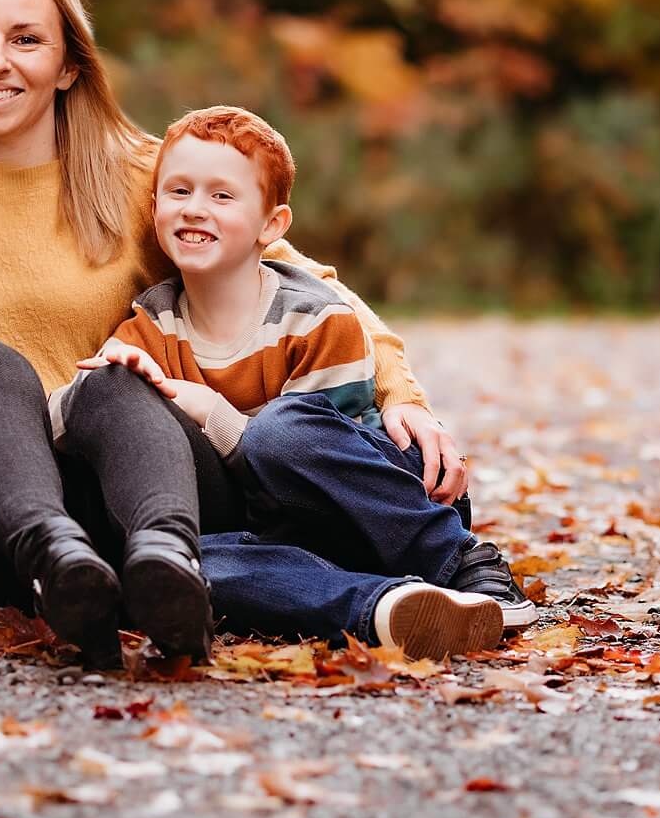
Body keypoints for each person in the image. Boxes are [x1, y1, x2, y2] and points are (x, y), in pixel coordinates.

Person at [0, 0, 518, 667]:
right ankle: (59, 555)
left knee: (118, 379)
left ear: (69, 65)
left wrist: (400, 391)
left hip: (142, 492)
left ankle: (165, 561)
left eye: (26, 39)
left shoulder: (147, 180)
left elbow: (304, 280)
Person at [53, 104, 533, 657]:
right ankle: (387, 605)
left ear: (272, 225)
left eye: (222, 196)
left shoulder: (317, 317)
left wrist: (212, 414)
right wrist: (117, 383)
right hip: (276, 537)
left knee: (280, 432)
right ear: (154, 205)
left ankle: (460, 560)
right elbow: (74, 416)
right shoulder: (150, 326)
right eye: (179, 191)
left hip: (379, 504)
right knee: (179, 559)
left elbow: (310, 463)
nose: (194, 210)